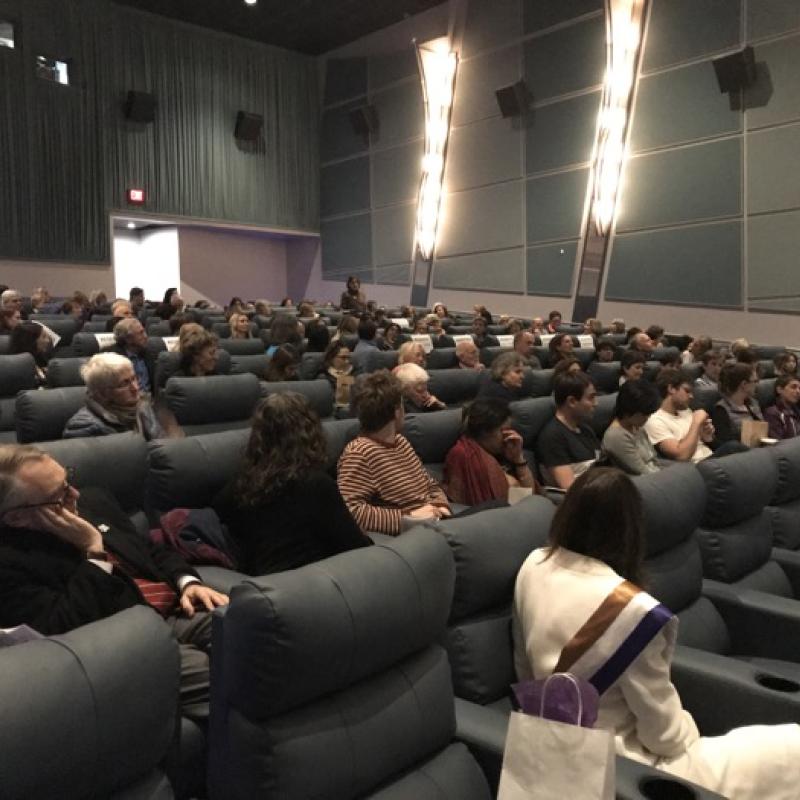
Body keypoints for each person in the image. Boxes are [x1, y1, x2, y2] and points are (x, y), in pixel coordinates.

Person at [512, 467, 800, 800]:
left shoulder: (532, 565)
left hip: (546, 753)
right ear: (630, 531)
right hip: (623, 769)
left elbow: (524, 667)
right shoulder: (634, 611)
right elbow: (663, 735)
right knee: (791, 748)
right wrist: (694, 737)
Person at [0, 444, 228, 719]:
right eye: (58, 495)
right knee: (220, 678)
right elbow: (62, 626)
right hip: (124, 643)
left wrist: (188, 582)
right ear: (17, 517)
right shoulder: (9, 563)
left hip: (173, 607)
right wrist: (94, 552)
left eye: (68, 481)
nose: (75, 494)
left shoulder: (93, 501)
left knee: (245, 626)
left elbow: (150, 549)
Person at [213, 394, 371, 575]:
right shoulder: (317, 485)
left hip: (262, 586)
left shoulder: (240, 486)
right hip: (313, 586)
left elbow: (222, 514)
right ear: (310, 433)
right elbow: (355, 548)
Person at [337, 371, 451, 534]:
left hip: (436, 522)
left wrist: (440, 506)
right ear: (397, 411)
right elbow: (351, 510)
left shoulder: (401, 442)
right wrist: (408, 517)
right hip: (414, 534)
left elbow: (429, 484)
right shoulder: (359, 452)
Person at [443, 397, 536, 505]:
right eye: (503, 430)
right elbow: (519, 500)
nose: (508, 436)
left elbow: (529, 496)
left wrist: (518, 458)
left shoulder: (504, 452)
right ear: (485, 432)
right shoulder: (465, 455)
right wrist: (512, 483)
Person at [63, 353, 180, 440]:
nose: (135, 388)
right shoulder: (82, 426)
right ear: (102, 393)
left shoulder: (143, 407)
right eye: (124, 384)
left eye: (134, 378)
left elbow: (165, 446)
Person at [536, 372, 600, 489]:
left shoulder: (586, 429)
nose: (596, 403)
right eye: (591, 398)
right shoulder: (552, 437)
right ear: (572, 401)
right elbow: (568, 487)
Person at [644, 368, 713, 463]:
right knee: (733, 447)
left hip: (711, 458)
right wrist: (696, 422)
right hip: (696, 467)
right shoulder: (655, 421)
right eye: (687, 391)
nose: (691, 396)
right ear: (671, 389)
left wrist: (706, 435)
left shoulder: (685, 410)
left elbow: (701, 442)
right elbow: (682, 456)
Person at [602, 380, 662, 474]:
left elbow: (654, 459)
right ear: (629, 410)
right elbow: (642, 472)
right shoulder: (617, 436)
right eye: (645, 414)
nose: (648, 417)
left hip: (656, 474)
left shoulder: (636, 426)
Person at [710, 362, 763, 448]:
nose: (757, 384)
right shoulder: (721, 410)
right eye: (755, 381)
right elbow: (728, 446)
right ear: (744, 384)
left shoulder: (753, 403)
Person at [105, 317, 152, 394]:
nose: (146, 336)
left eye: (144, 332)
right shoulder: (112, 357)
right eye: (141, 333)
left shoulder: (149, 352)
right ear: (128, 339)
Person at [764, 375, 800, 440]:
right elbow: (779, 443)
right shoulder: (772, 413)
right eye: (793, 387)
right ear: (779, 390)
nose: (798, 391)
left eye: (799, 388)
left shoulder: (796, 410)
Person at [319, 341, 353, 409]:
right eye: (343, 358)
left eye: (348, 358)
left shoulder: (352, 372)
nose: (347, 361)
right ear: (331, 358)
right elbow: (342, 403)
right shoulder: (323, 379)